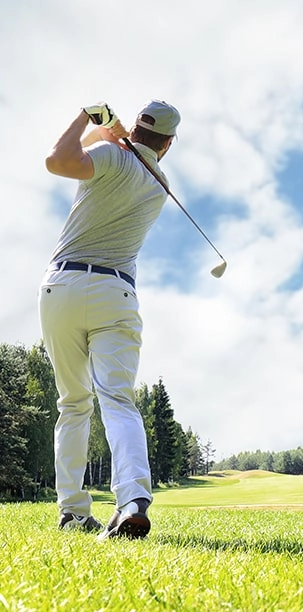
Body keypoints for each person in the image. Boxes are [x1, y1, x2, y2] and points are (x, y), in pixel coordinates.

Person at [39, 99, 181, 540]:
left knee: (72, 403)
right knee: (117, 400)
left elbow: (57, 160)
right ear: (169, 143)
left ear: (133, 127)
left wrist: (89, 119)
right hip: (116, 293)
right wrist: (111, 136)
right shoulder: (160, 181)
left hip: (61, 287)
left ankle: (73, 512)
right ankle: (133, 501)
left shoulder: (111, 155)